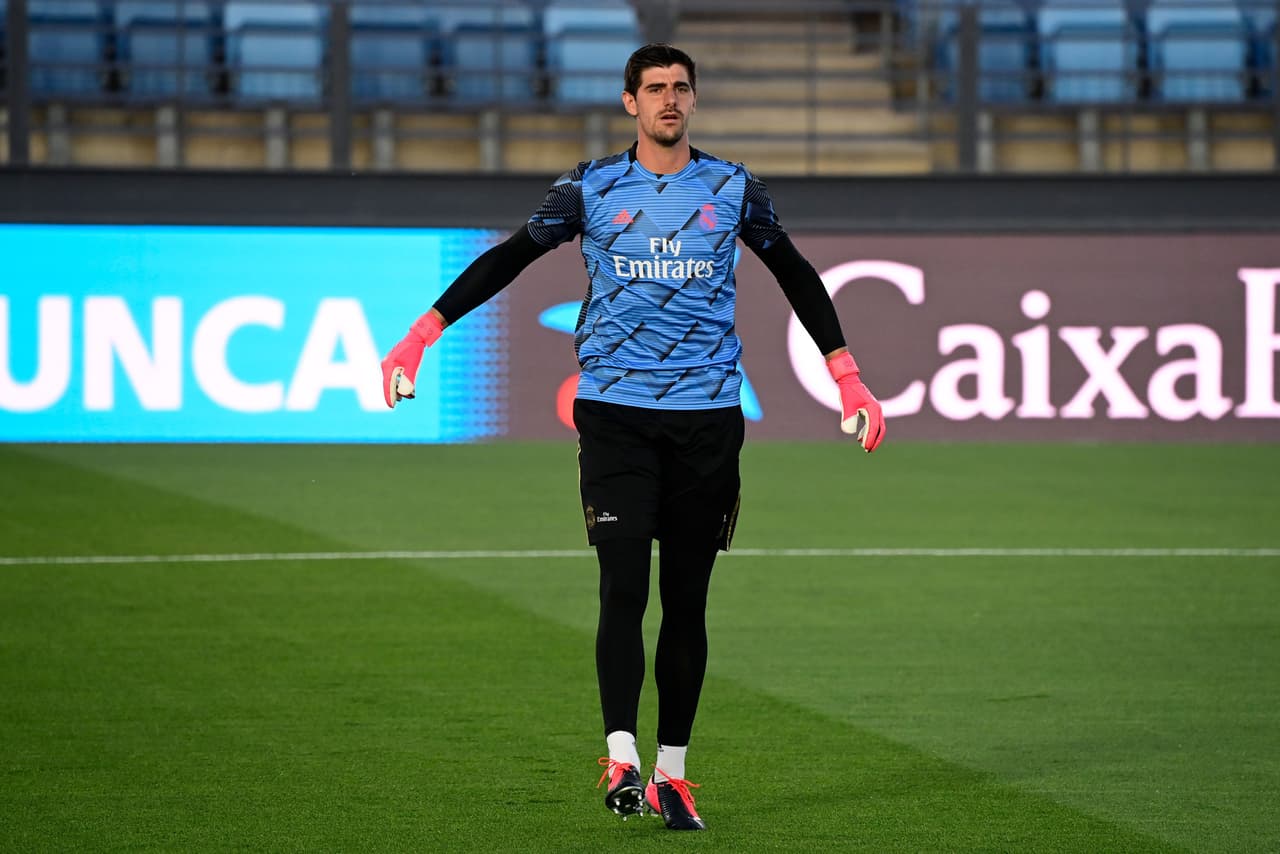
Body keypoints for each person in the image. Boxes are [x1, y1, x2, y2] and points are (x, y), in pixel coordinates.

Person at [379, 43, 886, 832]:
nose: (669, 101)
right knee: (624, 586)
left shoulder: (733, 186)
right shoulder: (589, 186)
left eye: (681, 88)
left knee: (687, 603)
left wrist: (846, 374)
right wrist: (421, 334)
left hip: (708, 420)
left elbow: (795, 272)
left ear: (694, 100)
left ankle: (673, 775)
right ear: (629, 103)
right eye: (655, 89)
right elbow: (511, 258)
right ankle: (620, 756)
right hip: (615, 412)